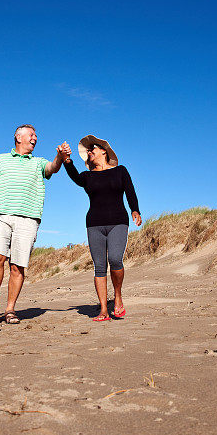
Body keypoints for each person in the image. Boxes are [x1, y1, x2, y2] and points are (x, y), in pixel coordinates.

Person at [0, 124, 67, 325]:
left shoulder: (38, 163)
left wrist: (59, 156)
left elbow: (53, 168)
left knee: (17, 266)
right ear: (18, 137)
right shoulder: (0, 159)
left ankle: (10, 309)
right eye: (31, 135)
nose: (35, 138)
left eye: (36, 135)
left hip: (28, 218)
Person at [61, 135, 141, 321]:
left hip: (118, 222)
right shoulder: (87, 176)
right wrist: (67, 160)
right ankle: (103, 310)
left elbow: (130, 190)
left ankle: (118, 297)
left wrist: (135, 209)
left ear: (103, 151)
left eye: (92, 149)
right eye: (88, 150)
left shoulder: (120, 171)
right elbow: (74, 176)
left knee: (115, 259)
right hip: (94, 224)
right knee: (99, 267)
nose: (89, 152)